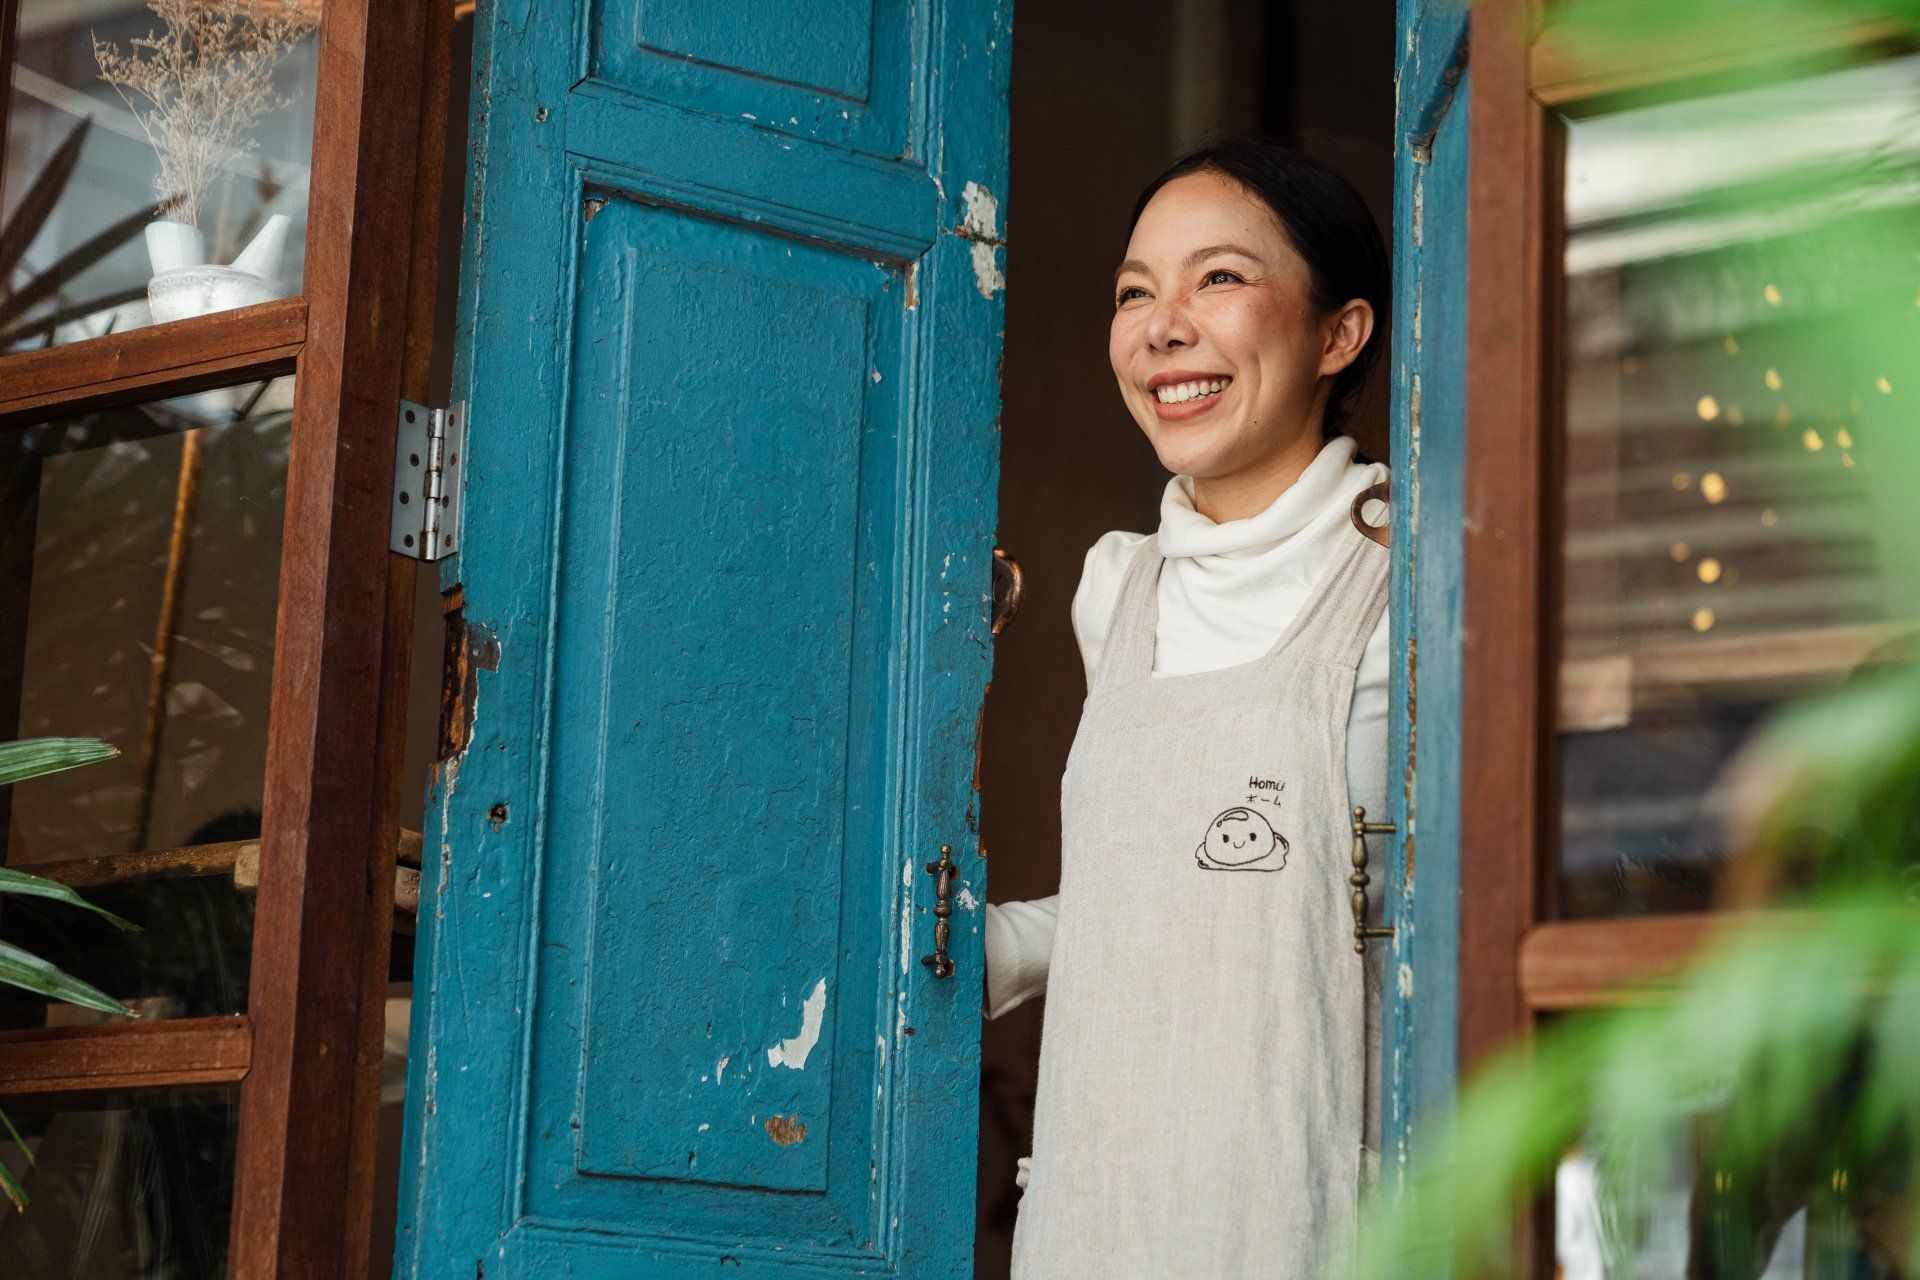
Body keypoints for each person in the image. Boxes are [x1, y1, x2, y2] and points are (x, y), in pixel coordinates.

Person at [986, 138, 1392, 1279]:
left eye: (1217, 277)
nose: (1162, 325)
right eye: (1133, 290)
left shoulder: (1411, 576)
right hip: (1103, 1213)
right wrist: (972, 947)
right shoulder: (1118, 587)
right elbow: (1176, 888)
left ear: (1337, 332)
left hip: (1314, 1217)